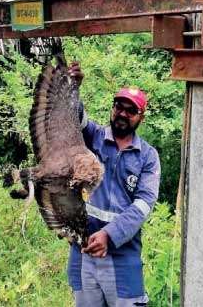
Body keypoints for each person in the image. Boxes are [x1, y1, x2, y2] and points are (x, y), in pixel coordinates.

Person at [67, 62, 161, 307]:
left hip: (122, 256)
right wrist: (73, 88)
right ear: (112, 108)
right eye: (119, 106)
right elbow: (76, 118)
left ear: (141, 117)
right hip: (84, 250)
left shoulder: (147, 157)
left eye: (131, 110)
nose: (123, 113)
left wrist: (109, 235)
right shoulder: (94, 137)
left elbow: (143, 205)